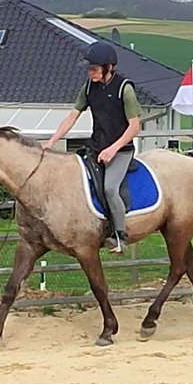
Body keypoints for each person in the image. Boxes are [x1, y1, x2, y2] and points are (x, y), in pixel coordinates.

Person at [44, 40, 142, 253]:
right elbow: (73, 116)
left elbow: (135, 127)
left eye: (94, 69)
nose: (90, 73)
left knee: (109, 188)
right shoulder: (88, 87)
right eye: (89, 69)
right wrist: (52, 141)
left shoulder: (125, 89)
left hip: (121, 150)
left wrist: (113, 149)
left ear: (108, 68)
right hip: (96, 146)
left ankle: (120, 236)